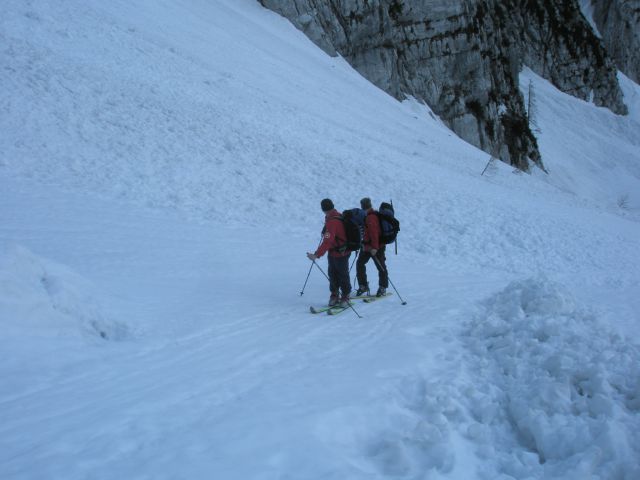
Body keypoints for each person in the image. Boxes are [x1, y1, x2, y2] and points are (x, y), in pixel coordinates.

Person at [307, 198, 352, 307]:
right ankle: (335, 294)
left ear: (323, 209)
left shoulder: (333, 221)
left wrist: (316, 255)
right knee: (332, 273)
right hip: (334, 252)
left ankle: (345, 296)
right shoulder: (334, 216)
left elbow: (327, 241)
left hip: (341, 252)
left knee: (342, 274)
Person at [355, 197, 388, 297]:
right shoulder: (369, 215)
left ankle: (382, 287)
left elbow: (374, 234)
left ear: (362, 206)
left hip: (376, 247)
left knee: (380, 266)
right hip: (367, 246)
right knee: (360, 263)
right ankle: (363, 285)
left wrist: (375, 248)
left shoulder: (371, 217)